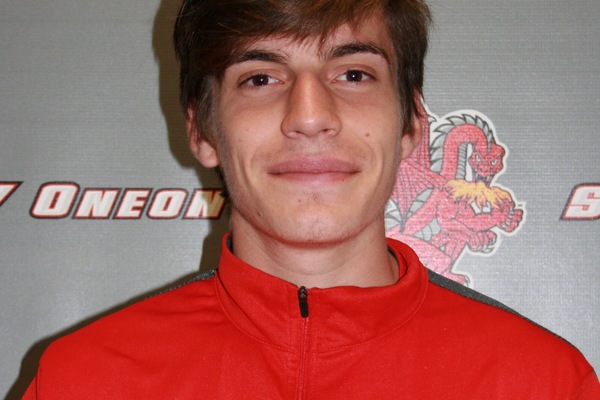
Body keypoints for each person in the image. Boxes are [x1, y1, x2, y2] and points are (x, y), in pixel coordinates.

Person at [22, 0, 600, 398]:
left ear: (411, 124)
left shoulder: (543, 383)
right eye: (260, 77)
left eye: (353, 74)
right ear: (201, 129)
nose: (309, 115)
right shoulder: (83, 381)